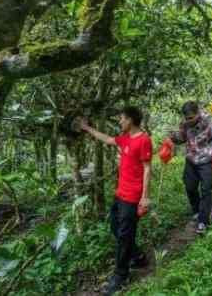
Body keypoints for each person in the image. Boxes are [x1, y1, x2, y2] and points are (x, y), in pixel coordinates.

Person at [77, 107, 152, 296]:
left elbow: (147, 168)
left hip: (133, 196)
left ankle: (121, 274)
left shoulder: (144, 140)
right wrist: (87, 128)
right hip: (120, 194)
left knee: (125, 236)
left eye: (122, 119)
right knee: (114, 228)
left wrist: (145, 196)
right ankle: (139, 257)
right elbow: (108, 139)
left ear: (131, 120)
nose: (120, 122)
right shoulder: (125, 138)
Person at [170, 101, 212, 234]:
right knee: (190, 187)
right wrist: (172, 137)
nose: (189, 121)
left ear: (198, 113)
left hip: (206, 159)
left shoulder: (210, 123)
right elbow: (181, 139)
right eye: (186, 118)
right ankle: (197, 211)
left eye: (191, 118)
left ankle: (203, 221)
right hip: (191, 159)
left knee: (206, 190)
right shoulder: (185, 124)